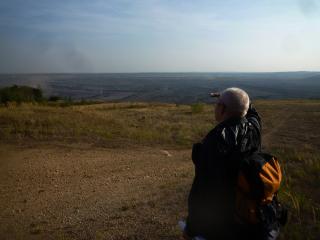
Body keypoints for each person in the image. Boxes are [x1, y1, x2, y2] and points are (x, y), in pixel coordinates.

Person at [184, 87, 275, 240]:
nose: (215, 107)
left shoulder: (217, 140)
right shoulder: (254, 127)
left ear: (223, 108)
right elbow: (251, 111)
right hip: (246, 214)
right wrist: (234, 99)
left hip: (223, 223)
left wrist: (191, 228)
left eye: (217, 104)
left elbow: (202, 191)